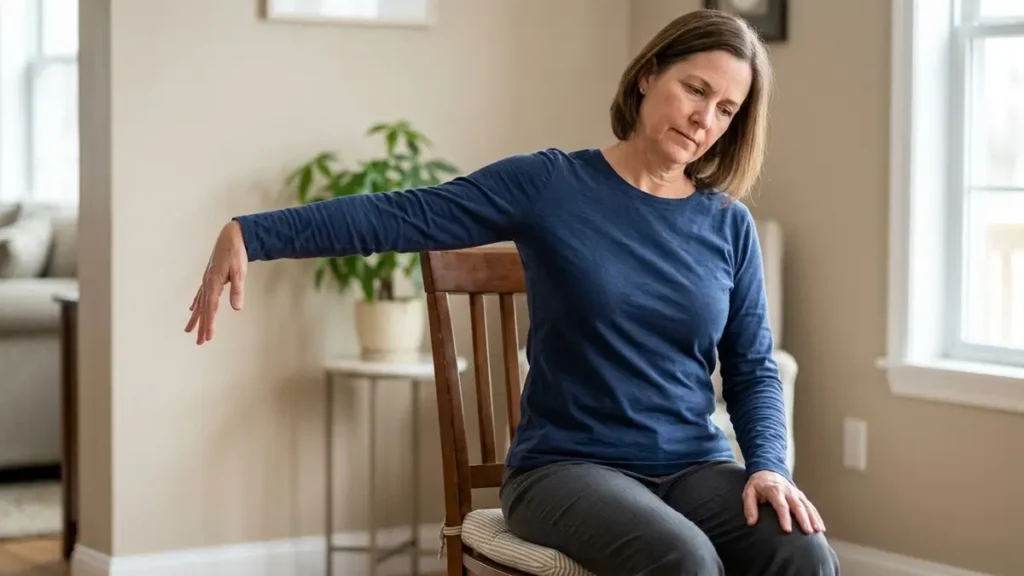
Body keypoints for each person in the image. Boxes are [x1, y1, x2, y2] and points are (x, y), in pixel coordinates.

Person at [186, 8, 839, 575]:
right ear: (648, 75)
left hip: (694, 466)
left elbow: (753, 367)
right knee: (684, 560)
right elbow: (408, 214)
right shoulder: (552, 185)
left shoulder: (727, 224)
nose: (705, 119)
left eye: (726, 109)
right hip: (565, 471)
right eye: (695, 90)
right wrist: (254, 234)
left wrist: (769, 467)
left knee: (801, 552)